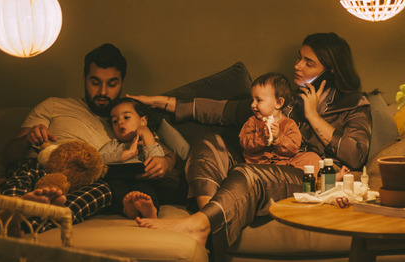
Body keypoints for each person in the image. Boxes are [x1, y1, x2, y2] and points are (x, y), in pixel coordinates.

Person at [128, 32, 371, 250]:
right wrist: (161, 102)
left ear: (331, 72)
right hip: (265, 163)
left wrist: (313, 115)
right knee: (207, 143)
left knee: (249, 173)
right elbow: (220, 110)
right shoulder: (284, 99)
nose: (297, 66)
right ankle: (206, 221)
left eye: (309, 63)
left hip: (307, 174)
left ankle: (200, 225)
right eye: (299, 57)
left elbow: (356, 155)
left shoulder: (354, 103)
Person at [0, 44, 177, 232]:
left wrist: (166, 163)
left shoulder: (128, 121)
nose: (103, 92)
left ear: (122, 82)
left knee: (103, 190)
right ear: (84, 78)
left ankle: (25, 226)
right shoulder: (54, 105)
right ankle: (7, 214)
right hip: (43, 168)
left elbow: (168, 155)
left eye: (112, 84)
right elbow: (7, 157)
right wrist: (28, 140)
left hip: (83, 185)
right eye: (95, 82)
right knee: (24, 169)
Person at [100, 97, 173, 219]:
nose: (120, 122)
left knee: (146, 189)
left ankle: (151, 209)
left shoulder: (150, 143)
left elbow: (156, 161)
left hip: (144, 179)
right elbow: (98, 160)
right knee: (115, 186)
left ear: (143, 121)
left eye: (126, 117)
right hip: (119, 177)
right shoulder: (114, 145)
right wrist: (125, 155)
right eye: (114, 121)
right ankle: (127, 209)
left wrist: (146, 135)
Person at [239, 72, 320, 173]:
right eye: (253, 100)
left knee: (312, 158)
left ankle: (328, 179)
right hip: (259, 165)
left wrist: (279, 138)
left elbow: (294, 148)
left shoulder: (289, 124)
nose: (253, 105)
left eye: (258, 100)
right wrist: (262, 138)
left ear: (278, 103)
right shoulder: (253, 122)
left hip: (285, 165)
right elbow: (245, 142)